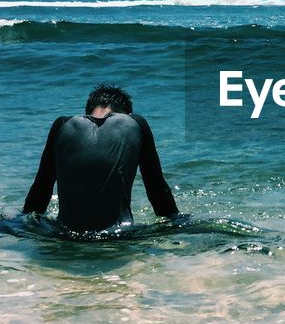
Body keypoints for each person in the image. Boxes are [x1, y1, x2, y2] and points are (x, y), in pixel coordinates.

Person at [23, 84, 179, 232]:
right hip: (119, 236)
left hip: (65, 236)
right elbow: (156, 188)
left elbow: (42, 188)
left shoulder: (62, 124)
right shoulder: (135, 123)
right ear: (127, 114)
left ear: (87, 112)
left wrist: (23, 222)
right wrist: (177, 223)